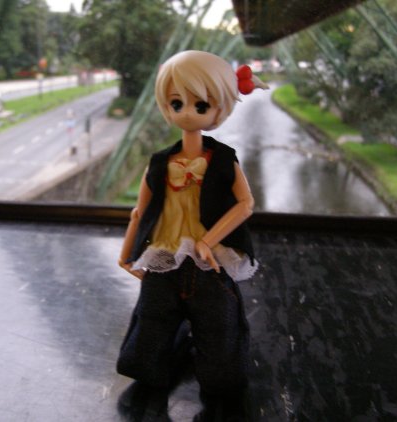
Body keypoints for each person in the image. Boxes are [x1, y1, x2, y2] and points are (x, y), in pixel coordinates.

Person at [116, 50, 268, 421]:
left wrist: (207, 240)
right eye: (176, 103)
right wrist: (127, 254)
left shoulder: (224, 159)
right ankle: (153, 369)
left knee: (219, 330)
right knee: (151, 325)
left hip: (208, 261)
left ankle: (219, 379)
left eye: (200, 105)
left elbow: (245, 204)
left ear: (220, 107)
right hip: (165, 256)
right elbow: (140, 212)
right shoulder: (160, 162)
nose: (186, 113)